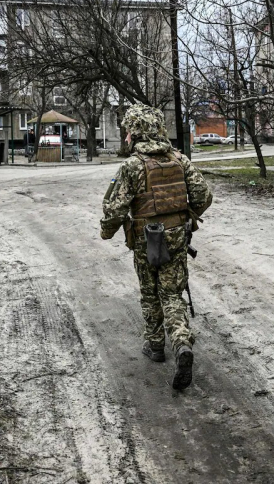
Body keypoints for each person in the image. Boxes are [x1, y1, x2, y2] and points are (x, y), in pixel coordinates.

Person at [100, 104, 212, 390]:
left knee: (150, 293)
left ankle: (155, 346)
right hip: (176, 235)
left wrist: (106, 231)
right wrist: (185, 215)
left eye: (127, 130)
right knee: (172, 294)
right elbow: (203, 196)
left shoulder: (132, 166)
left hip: (145, 238)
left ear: (136, 132)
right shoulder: (180, 159)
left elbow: (114, 209)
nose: (125, 136)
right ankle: (182, 343)